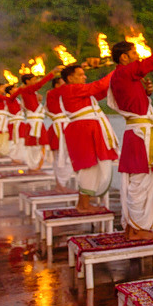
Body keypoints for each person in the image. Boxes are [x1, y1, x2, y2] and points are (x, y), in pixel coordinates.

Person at [108, 37, 153, 241]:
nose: (137, 57)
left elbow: (133, 101)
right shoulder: (125, 71)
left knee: (138, 182)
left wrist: (144, 92)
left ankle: (134, 227)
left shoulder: (120, 75)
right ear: (124, 57)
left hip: (136, 134)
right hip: (140, 136)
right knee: (140, 183)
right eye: (133, 54)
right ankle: (137, 228)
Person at [60, 63, 118, 210]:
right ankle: (83, 205)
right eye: (80, 74)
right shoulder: (71, 89)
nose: (84, 77)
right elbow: (97, 86)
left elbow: (100, 91)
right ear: (70, 78)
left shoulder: (79, 91)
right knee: (88, 165)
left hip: (86, 129)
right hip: (82, 130)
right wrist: (118, 70)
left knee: (91, 165)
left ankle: (84, 202)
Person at [10, 70, 59, 171]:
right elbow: (40, 84)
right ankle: (33, 166)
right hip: (34, 123)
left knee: (40, 144)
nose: (36, 81)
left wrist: (38, 100)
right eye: (34, 80)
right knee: (34, 145)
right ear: (27, 81)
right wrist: (52, 73)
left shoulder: (30, 91)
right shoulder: (27, 89)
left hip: (37, 122)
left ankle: (36, 166)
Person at [43, 76, 74, 191]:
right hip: (59, 128)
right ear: (56, 85)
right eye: (63, 82)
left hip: (65, 126)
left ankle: (61, 183)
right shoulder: (52, 93)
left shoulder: (62, 94)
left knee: (67, 156)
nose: (65, 84)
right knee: (59, 157)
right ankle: (60, 184)